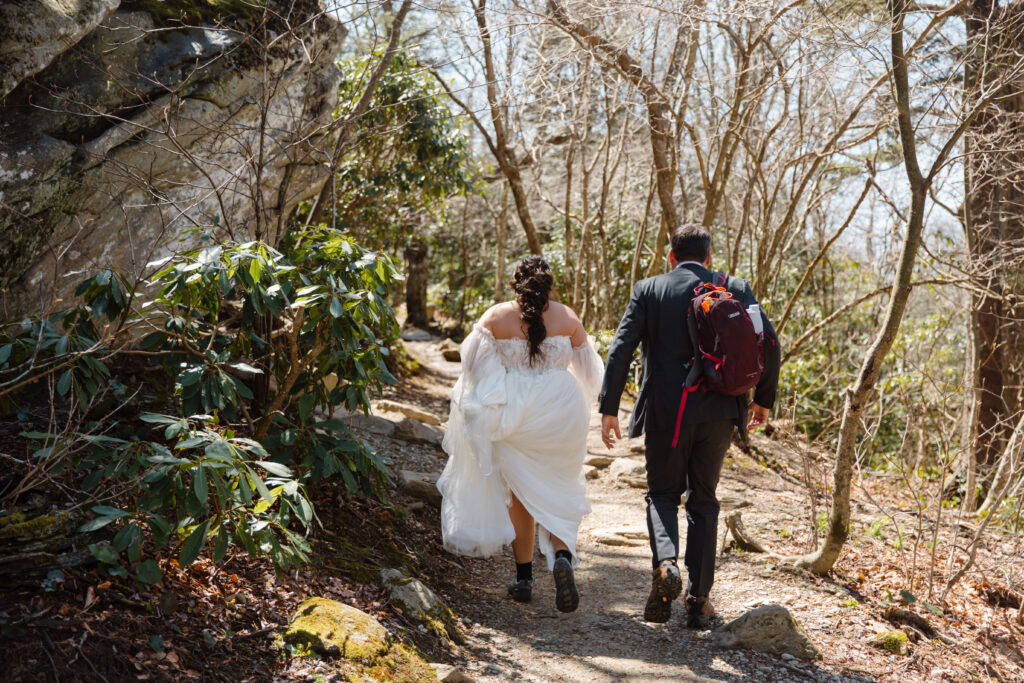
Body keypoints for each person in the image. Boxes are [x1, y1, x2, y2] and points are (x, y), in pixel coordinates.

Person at [598, 223, 781, 628]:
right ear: (709, 257)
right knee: (704, 500)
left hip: (668, 410)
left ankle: (666, 565)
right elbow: (769, 340)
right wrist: (762, 400)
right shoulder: (733, 286)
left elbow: (621, 347)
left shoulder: (649, 289)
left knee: (662, 493)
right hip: (720, 410)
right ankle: (699, 602)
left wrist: (609, 407)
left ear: (671, 257)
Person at [438, 255, 603, 613]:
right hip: (562, 413)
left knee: (520, 495)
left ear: (516, 282)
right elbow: (591, 374)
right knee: (562, 485)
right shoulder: (568, 318)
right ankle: (562, 555)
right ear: (549, 284)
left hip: (516, 417)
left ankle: (525, 578)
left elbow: (474, 370)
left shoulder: (495, 317)